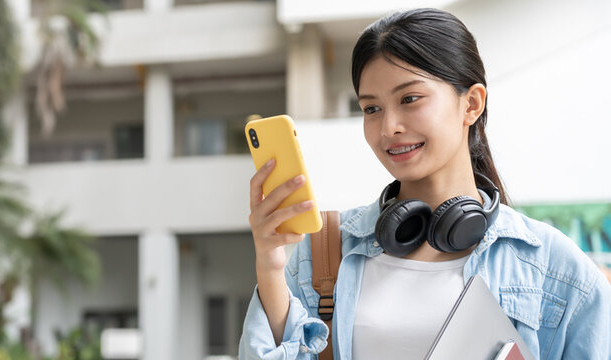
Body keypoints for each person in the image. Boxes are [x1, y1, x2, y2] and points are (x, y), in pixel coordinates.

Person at [238, 8, 611, 360]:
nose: (389, 128)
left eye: (410, 98)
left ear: (472, 104)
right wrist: (270, 269)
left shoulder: (554, 268)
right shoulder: (323, 253)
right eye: (371, 108)